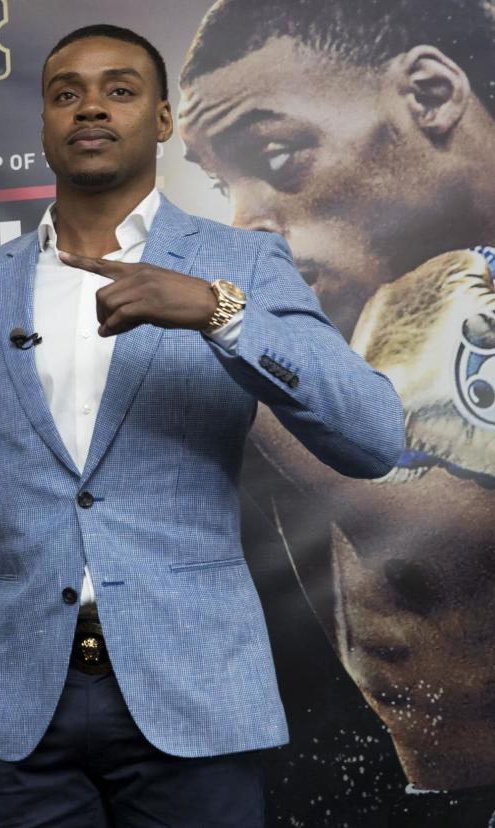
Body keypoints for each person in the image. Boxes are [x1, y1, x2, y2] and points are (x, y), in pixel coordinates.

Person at [0, 24, 405, 827]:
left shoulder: (240, 262)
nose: (90, 107)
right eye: (66, 92)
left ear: (163, 120)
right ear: (42, 124)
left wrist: (216, 311)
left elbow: (374, 437)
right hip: (26, 709)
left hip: (195, 696)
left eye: (120, 89)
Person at [178, 1, 495, 822]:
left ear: (428, 94)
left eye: (278, 156)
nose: (245, 219)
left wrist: (232, 353)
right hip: (434, 788)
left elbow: (455, 543)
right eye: (224, 183)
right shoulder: (369, 298)